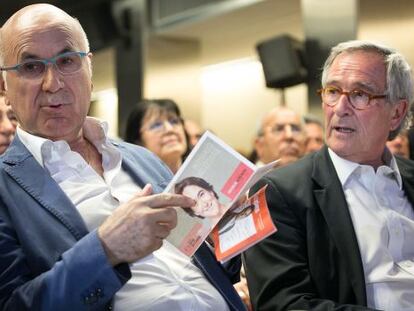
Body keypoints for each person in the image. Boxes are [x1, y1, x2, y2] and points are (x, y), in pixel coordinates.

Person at [0, 4, 246, 311]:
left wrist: (220, 231)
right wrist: (105, 249)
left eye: (67, 60)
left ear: (89, 70)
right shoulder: (6, 188)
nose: (53, 83)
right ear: (4, 87)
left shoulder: (142, 158)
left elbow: (212, 269)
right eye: (32, 67)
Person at [244, 40, 414, 310]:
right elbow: (283, 304)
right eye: (333, 91)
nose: (340, 108)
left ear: (397, 113)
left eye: (360, 94)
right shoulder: (277, 193)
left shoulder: (410, 177)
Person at [124, 99, 190, 173]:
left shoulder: (203, 173)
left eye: (174, 121)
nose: (169, 129)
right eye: (156, 125)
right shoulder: (132, 182)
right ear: (138, 141)